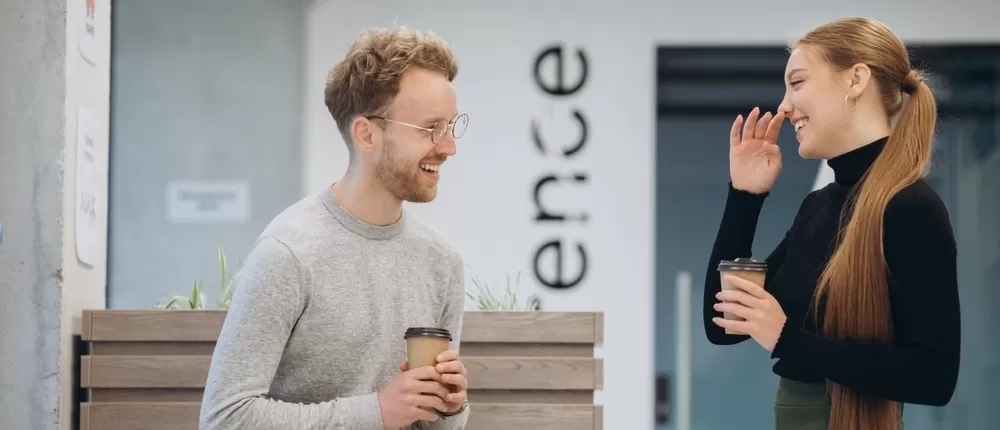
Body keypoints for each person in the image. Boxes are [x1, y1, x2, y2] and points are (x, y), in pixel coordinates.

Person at [200, 26, 471, 430]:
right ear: (367, 134)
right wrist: (377, 412)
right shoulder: (288, 254)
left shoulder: (441, 262)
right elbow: (224, 418)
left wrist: (450, 409)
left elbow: (429, 423)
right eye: (431, 128)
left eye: (451, 126)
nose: (449, 147)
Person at [703, 17, 961, 430]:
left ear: (855, 79)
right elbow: (724, 324)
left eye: (797, 82)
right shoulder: (817, 208)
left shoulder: (912, 209)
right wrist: (744, 197)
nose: (784, 107)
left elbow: (933, 377)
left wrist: (788, 339)